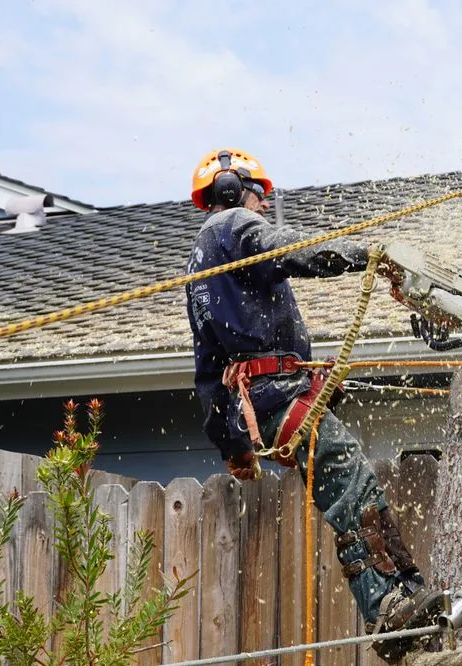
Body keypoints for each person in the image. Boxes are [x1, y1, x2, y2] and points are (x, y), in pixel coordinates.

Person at [185, 148, 443, 662]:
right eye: (258, 195)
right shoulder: (234, 227)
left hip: (265, 402)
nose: (261, 205)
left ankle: (406, 600)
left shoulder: (201, 267)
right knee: (352, 481)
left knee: (346, 490)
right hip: (274, 398)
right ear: (233, 190)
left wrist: (233, 447)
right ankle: (390, 603)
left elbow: (209, 378)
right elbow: (293, 250)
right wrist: (358, 253)